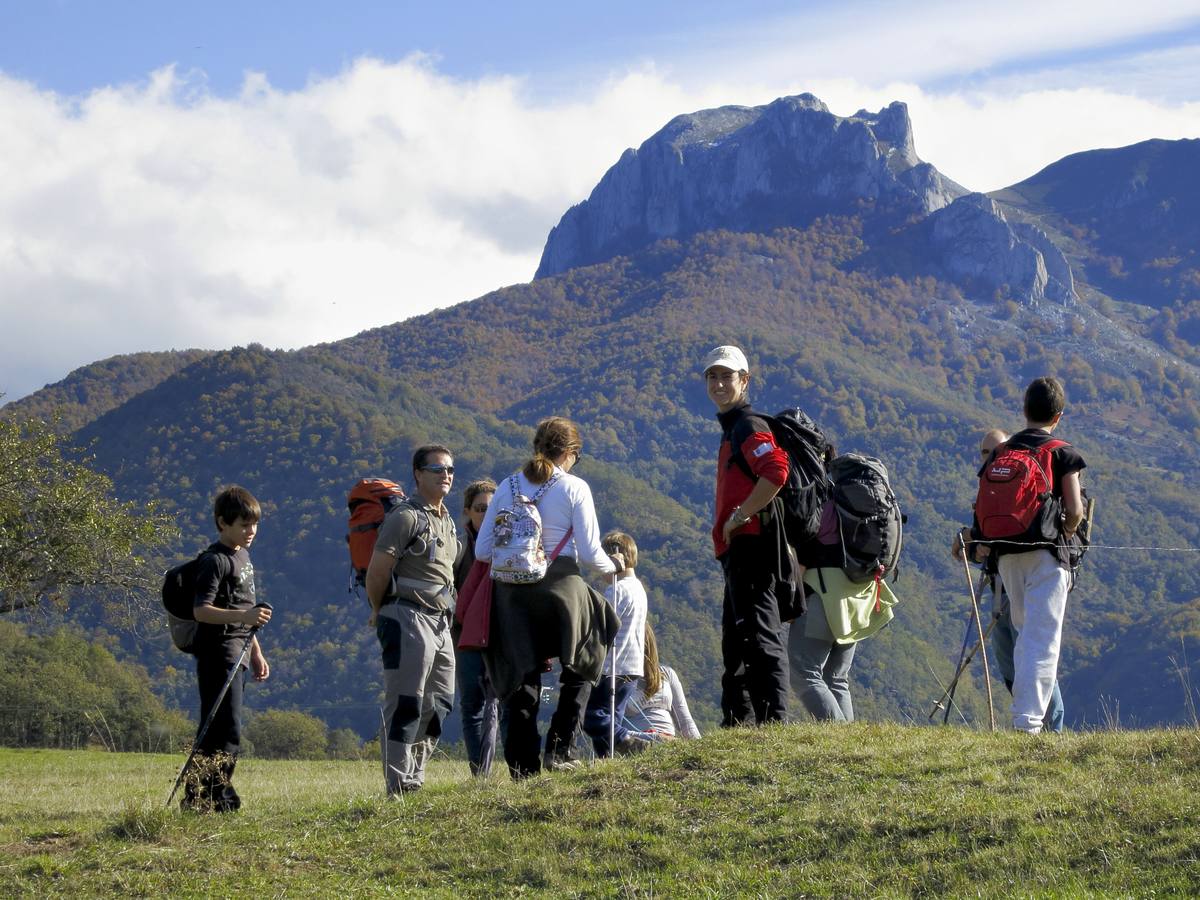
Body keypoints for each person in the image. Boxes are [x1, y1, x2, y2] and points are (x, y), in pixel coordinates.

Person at [475, 416, 622, 778]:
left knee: (521, 676)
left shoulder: (507, 487)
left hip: (511, 596)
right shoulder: (574, 487)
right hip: (560, 588)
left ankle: (523, 768)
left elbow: (481, 551)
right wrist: (612, 567)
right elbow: (588, 553)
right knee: (592, 642)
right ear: (571, 452)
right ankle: (560, 744)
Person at [971, 377, 1085, 734]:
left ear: (1024, 411)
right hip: (1045, 556)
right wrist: (1064, 533)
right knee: (1042, 640)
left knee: (1023, 638)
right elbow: (1076, 510)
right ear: (1059, 415)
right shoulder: (1060, 451)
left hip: (1006, 558)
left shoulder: (1004, 452)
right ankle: (1029, 723)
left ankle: (1026, 716)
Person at [953, 429, 1065, 731]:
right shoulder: (989, 490)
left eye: (995, 451)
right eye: (984, 453)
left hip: (1018, 580)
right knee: (1010, 660)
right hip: (998, 583)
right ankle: (1033, 723)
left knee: (1029, 653)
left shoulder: (1015, 484)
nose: (989, 458)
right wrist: (973, 546)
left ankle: (1050, 728)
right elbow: (974, 547)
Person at [704, 345, 791, 726]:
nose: (720, 383)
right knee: (736, 639)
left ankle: (773, 722)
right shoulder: (732, 428)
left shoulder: (748, 426)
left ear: (745, 380)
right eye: (713, 376)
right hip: (737, 547)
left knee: (759, 634)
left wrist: (739, 516)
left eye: (727, 376)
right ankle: (739, 721)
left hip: (753, 545)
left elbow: (776, 471)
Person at [365, 445, 459, 795]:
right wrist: (379, 610)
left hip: (440, 622)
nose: (445, 475)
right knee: (406, 700)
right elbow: (377, 572)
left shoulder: (446, 521)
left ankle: (415, 777)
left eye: (450, 469)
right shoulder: (406, 517)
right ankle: (397, 784)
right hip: (407, 616)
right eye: (437, 469)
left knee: (439, 702)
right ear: (418, 474)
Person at [184, 485, 271, 812]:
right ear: (223, 523)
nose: (250, 532)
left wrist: (256, 652)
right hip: (217, 653)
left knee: (224, 728)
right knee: (223, 729)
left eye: (254, 525)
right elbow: (201, 610)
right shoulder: (215, 561)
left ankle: (206, 796)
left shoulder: (243, 557)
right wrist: (244, 617)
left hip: (239, 653)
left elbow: (247, 610)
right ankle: (212, 796)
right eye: (243, 525)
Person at [582, 531, 650, 757]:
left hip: (613, 666)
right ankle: (608, 759)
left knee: (591, 715)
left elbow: (604, 626)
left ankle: (625, 739)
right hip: (633, 665)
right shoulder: (638, 588)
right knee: (612, 716)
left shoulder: (616, 590)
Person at [453, 477, 501, 776]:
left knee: (496, 705)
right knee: (472, 705)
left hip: (500, 638)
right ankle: (479, 774)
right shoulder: (458, 551)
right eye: (481, 508)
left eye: (492, 508)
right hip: (465, 639)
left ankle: (493, 769)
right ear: (468, 512)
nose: (487, 514)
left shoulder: (510, 547)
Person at [629, 623, 701, 740]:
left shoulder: (666, 673)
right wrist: (654, 737)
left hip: (670, 744)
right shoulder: (618, 681)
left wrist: (699, 747)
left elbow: (685, 722)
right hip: (636, 745)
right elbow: (613, 730)